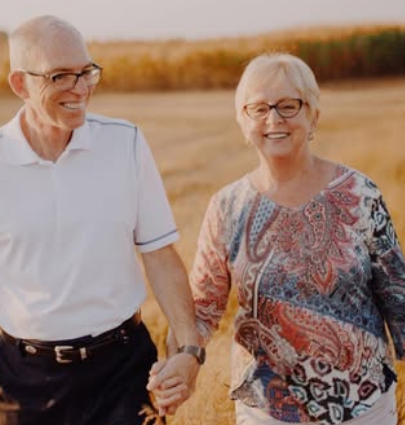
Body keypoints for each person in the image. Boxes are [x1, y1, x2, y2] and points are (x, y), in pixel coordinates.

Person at [0, 15, 202, 425]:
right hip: (22, 384)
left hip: (124, 374)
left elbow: (160, 255)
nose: (80, 88)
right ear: (20, 84)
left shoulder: (126, 143)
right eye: (60, 76)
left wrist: (189, 349)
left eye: (86, 72)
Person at [152, 52, 405, 424]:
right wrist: (181, 362)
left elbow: (398, 297)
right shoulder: (227, 207)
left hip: (364, 407)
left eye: (289, 105)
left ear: (313, 115)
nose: (274, 119)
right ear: (243, 121)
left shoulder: (359, 194)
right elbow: (203, 310)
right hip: (266, 412)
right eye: (258, 108)